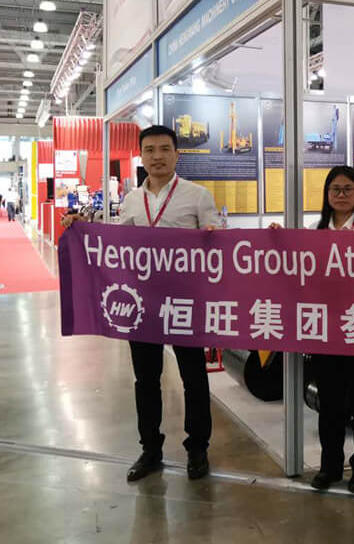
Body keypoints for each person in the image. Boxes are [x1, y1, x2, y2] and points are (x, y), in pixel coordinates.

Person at [62, 125, 221, 482]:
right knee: (146, 380)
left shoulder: (197, 196)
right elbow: (118, 242)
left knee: (194, 378)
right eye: (149, 150)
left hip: (185, 303)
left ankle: (198, 448)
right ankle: (150, 448)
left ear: (177, 154)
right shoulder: (133, 200)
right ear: (142, 155)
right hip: (143, 304)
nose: (157, 156)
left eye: (164, 149)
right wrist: (84, 227)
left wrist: (215, 238)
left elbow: (218, 245)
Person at [269, 166, 354, 494]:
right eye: (336, 189)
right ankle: (330, 466)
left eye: (348, 189)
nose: (342, 195)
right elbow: (298, 267)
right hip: (325, 328)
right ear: (327, 194)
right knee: (329, 400)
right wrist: (279, 239)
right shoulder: (315, 231)